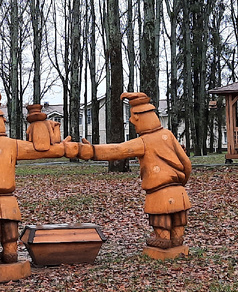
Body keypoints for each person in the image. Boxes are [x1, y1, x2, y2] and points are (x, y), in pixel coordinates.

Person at [73, 92, 192, 253]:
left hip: (159, 193)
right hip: (179, 192)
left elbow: (117, 150)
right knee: (178, 224)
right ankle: (177, 240)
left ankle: (162, 239)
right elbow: (186, 163)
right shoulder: (168, 135)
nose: (131, 121)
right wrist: (181, 182)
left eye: (133, 117)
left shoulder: (143, 142)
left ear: (140, 118)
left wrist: (91, 151)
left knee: (160, 220)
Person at [0, 92, 69, 265]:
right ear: (2, 122)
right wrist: (62, 146)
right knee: (10, 231)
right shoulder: (12, 144)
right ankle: (10, 252)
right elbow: (40, 150)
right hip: (8, 198)